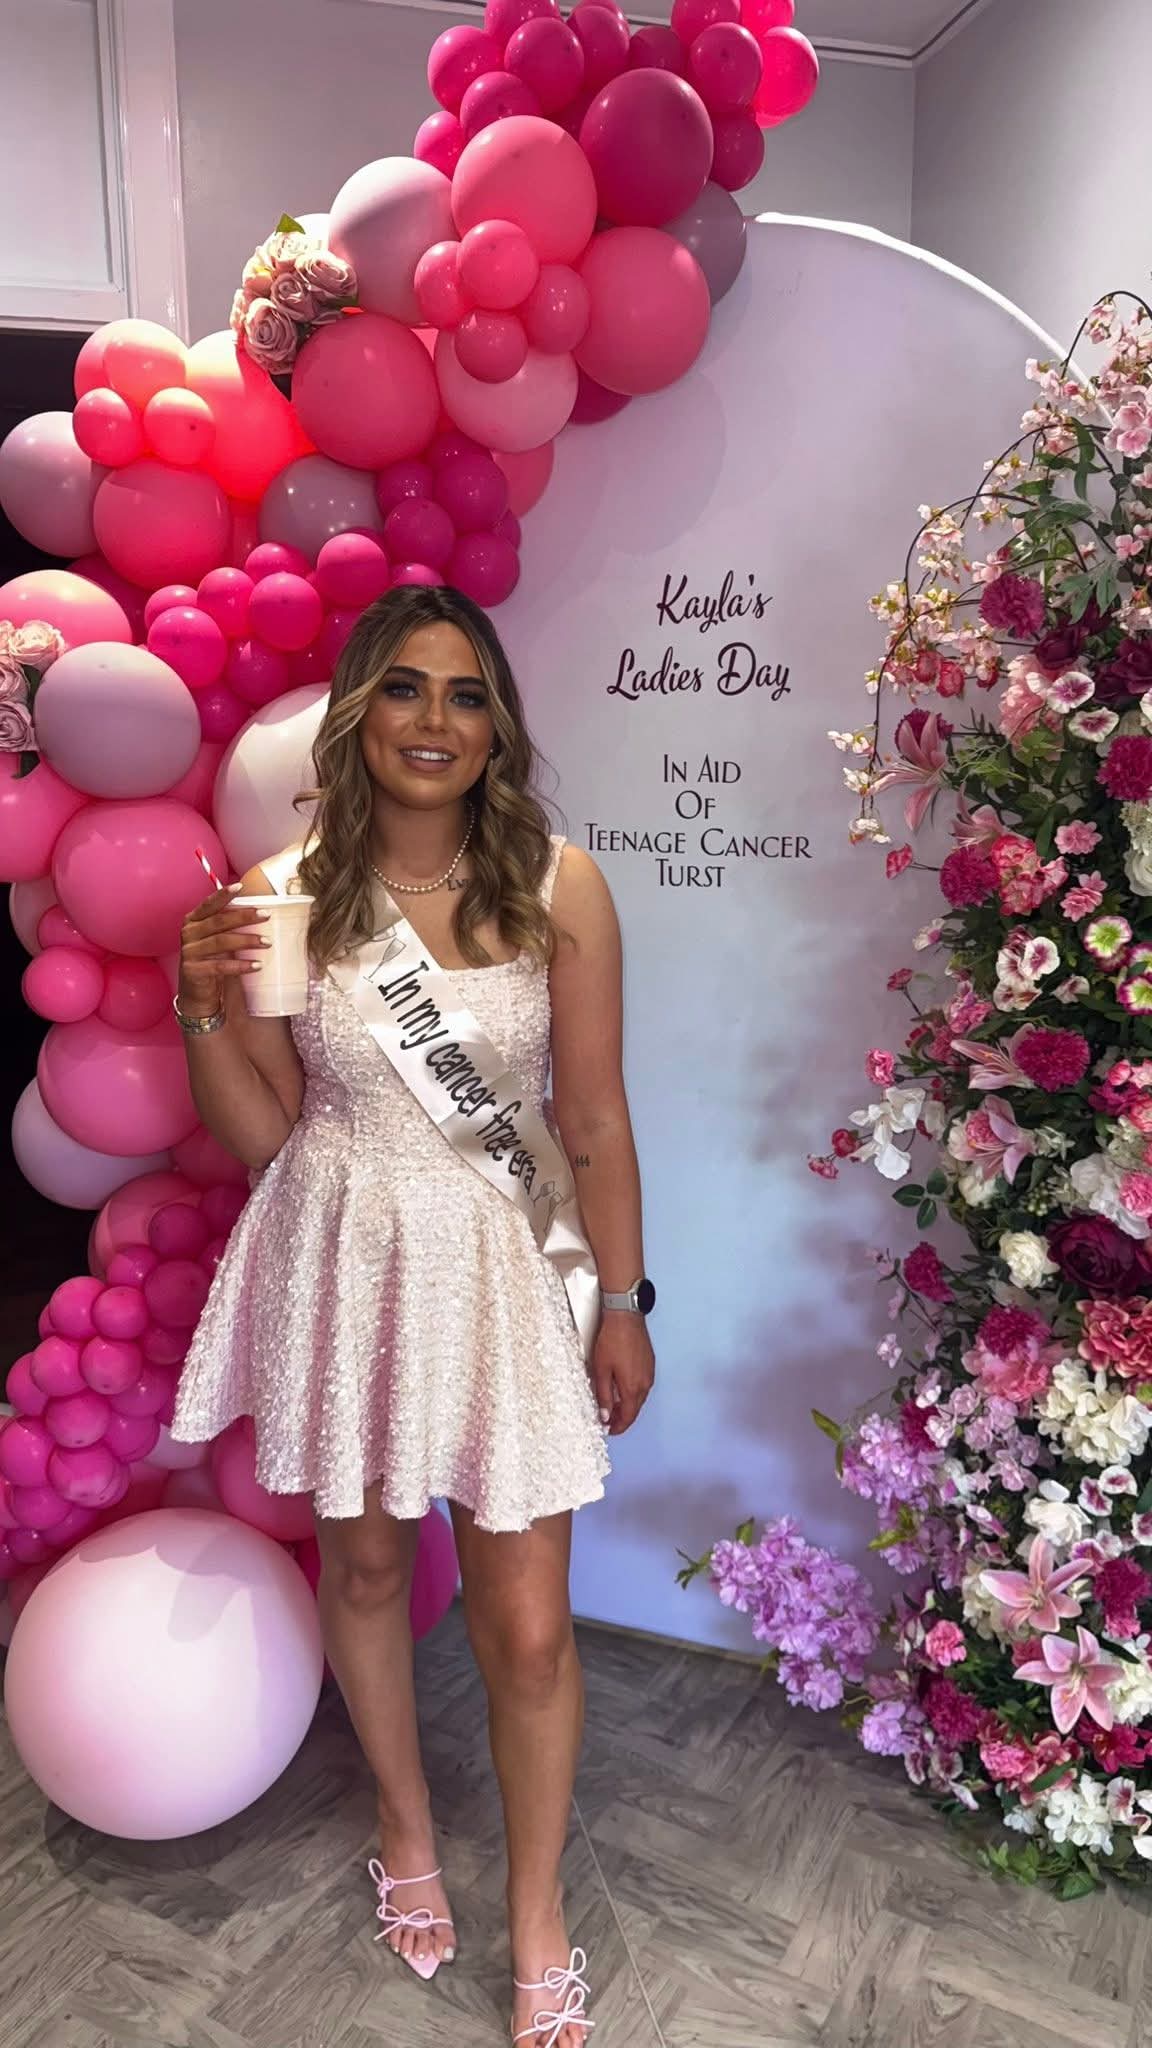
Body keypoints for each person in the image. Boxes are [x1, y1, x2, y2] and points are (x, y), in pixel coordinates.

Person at [169, 585, 656, 2048]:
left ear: (497, 722)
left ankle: (536, 1915)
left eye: (463, 694)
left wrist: (623, 1299)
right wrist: (198, 1009)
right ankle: (405, 1828)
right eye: (403, 690)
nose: (433, 722)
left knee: (526, 1629)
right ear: (356, 712)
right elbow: (263, 1132)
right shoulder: (275, 898)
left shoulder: (562, 885)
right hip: (347, 1258)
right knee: (369, 1574)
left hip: (506, 1271)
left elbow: (595, 1116)